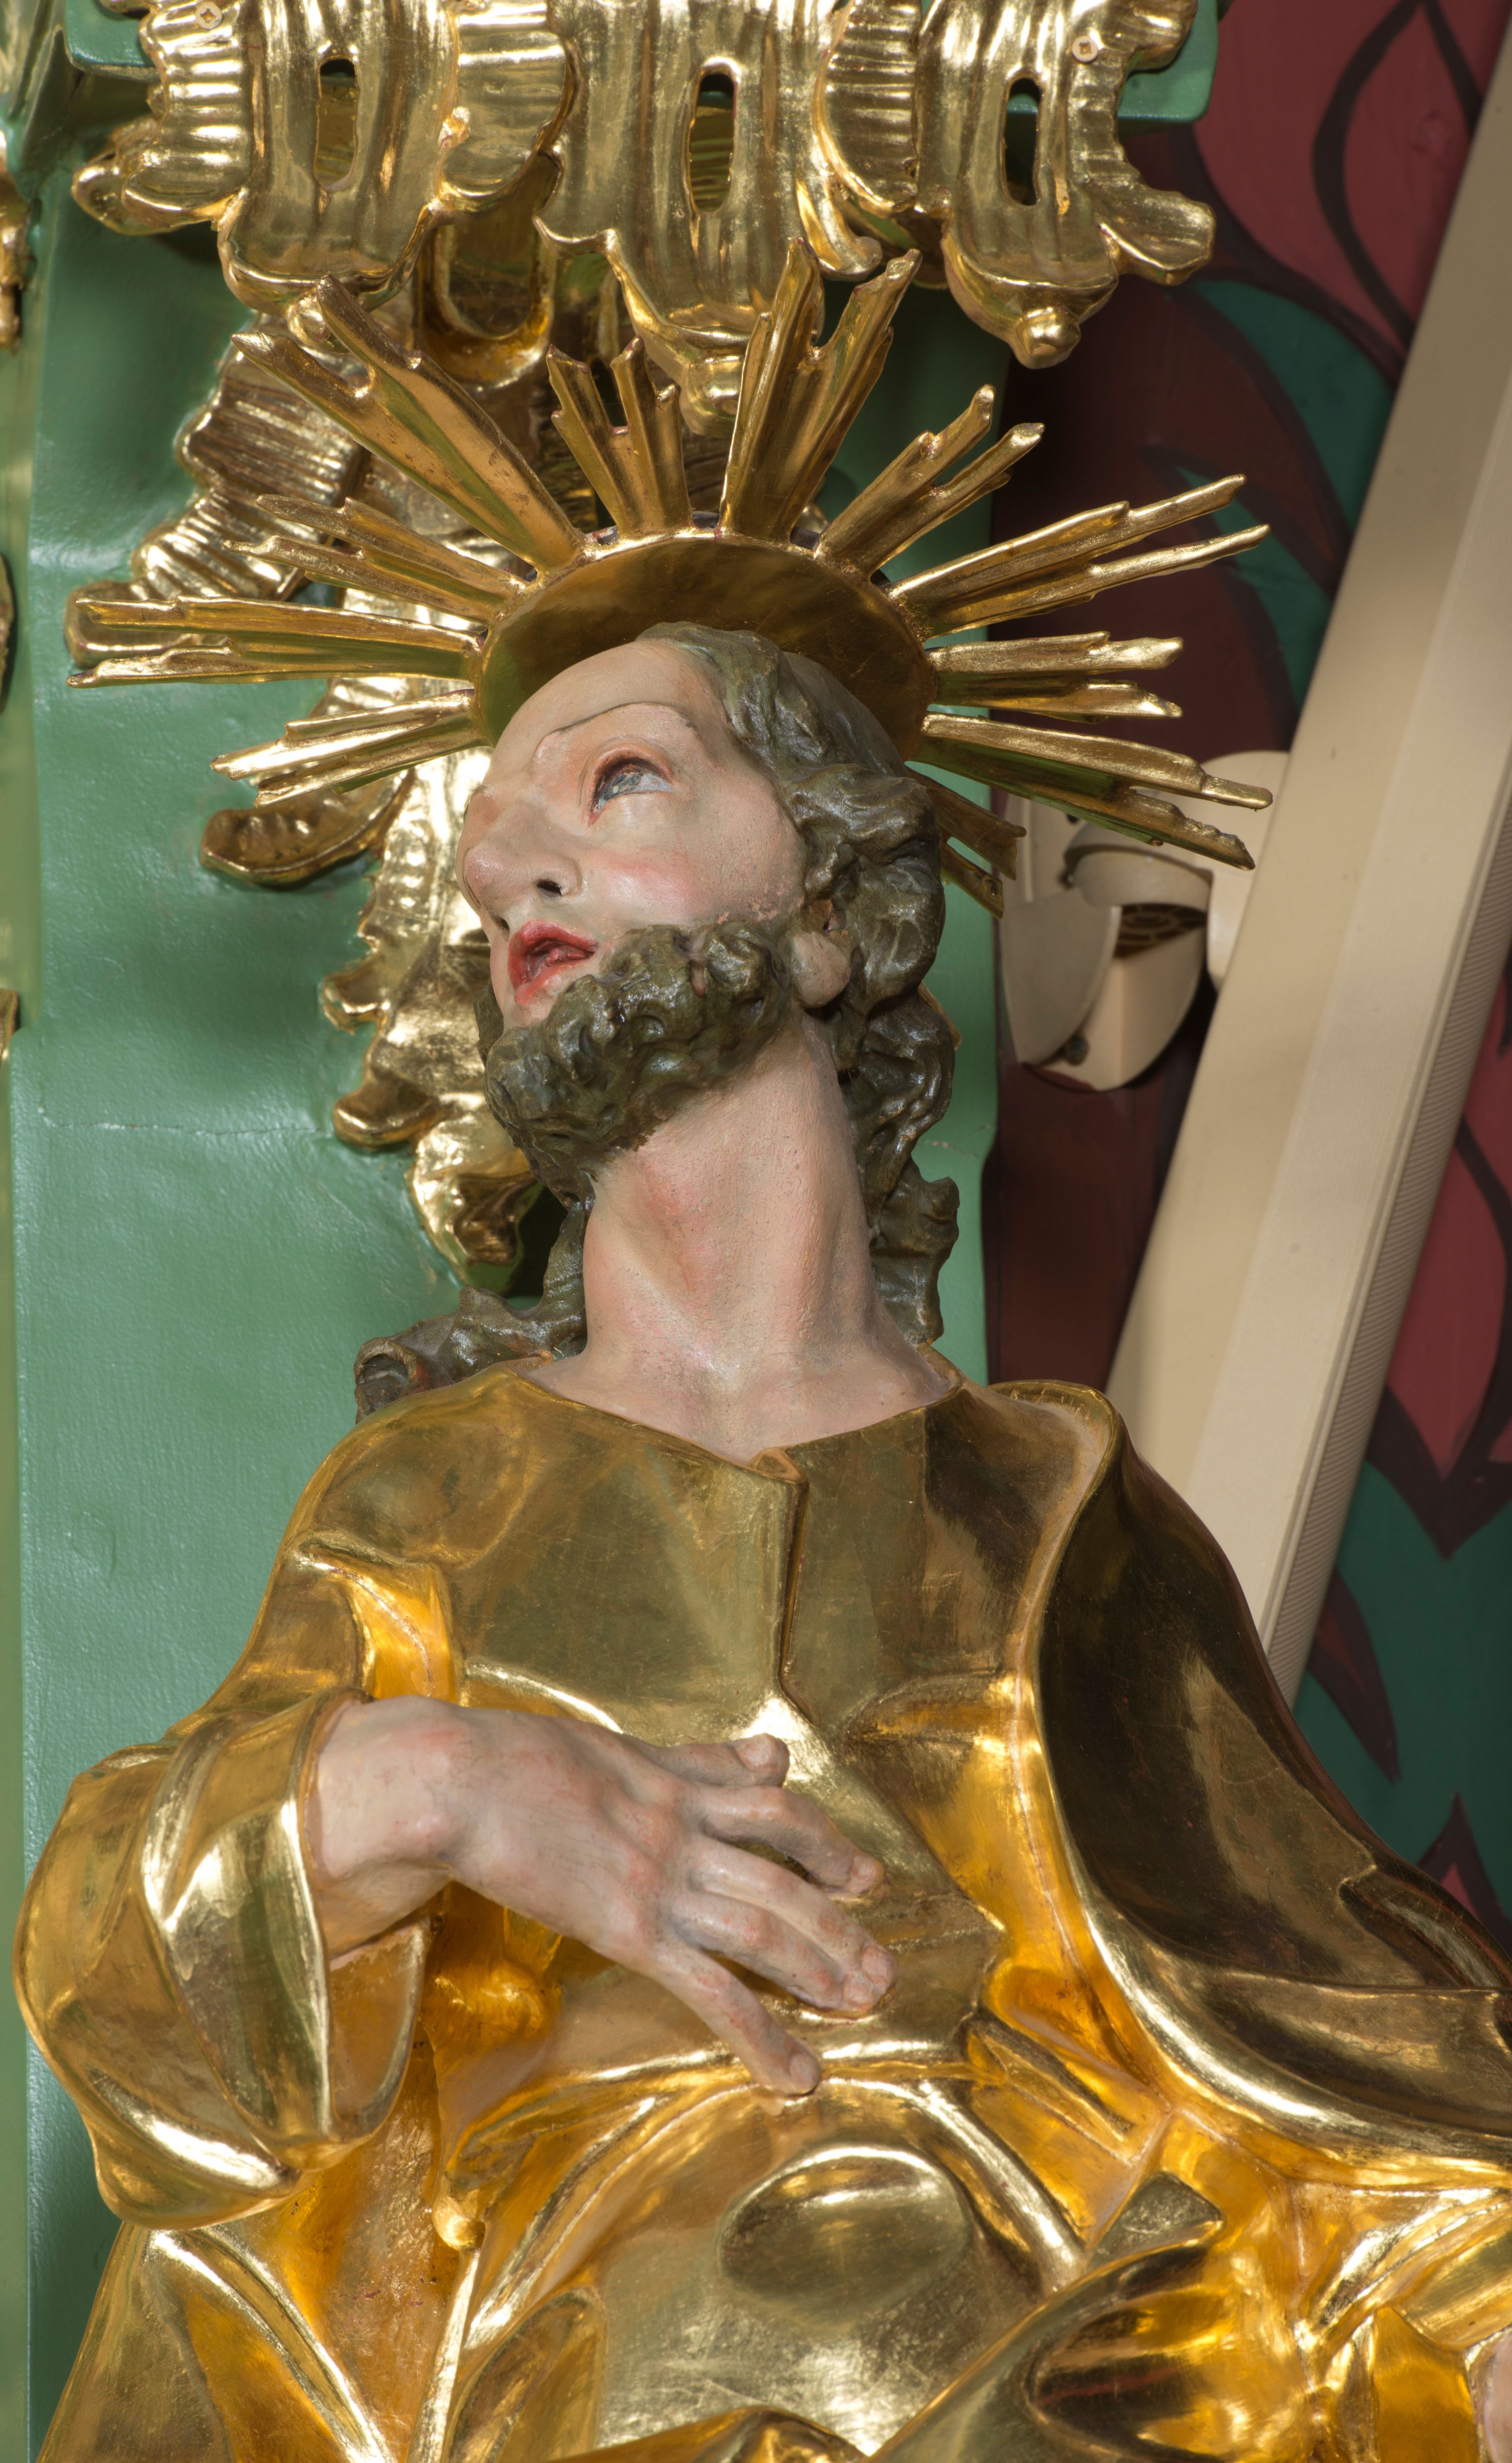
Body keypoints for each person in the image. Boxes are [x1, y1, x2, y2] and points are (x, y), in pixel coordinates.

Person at [19, 623, 1512, 2462]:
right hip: (575, 2339)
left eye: (621, 780)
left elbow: (1329, 2017)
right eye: (489, 847)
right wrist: (437, 1786)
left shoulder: (1053, 1508)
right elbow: (116, 1957)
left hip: (1049, 2329)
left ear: (827, 913)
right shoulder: (438, 1498)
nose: (509, 870)